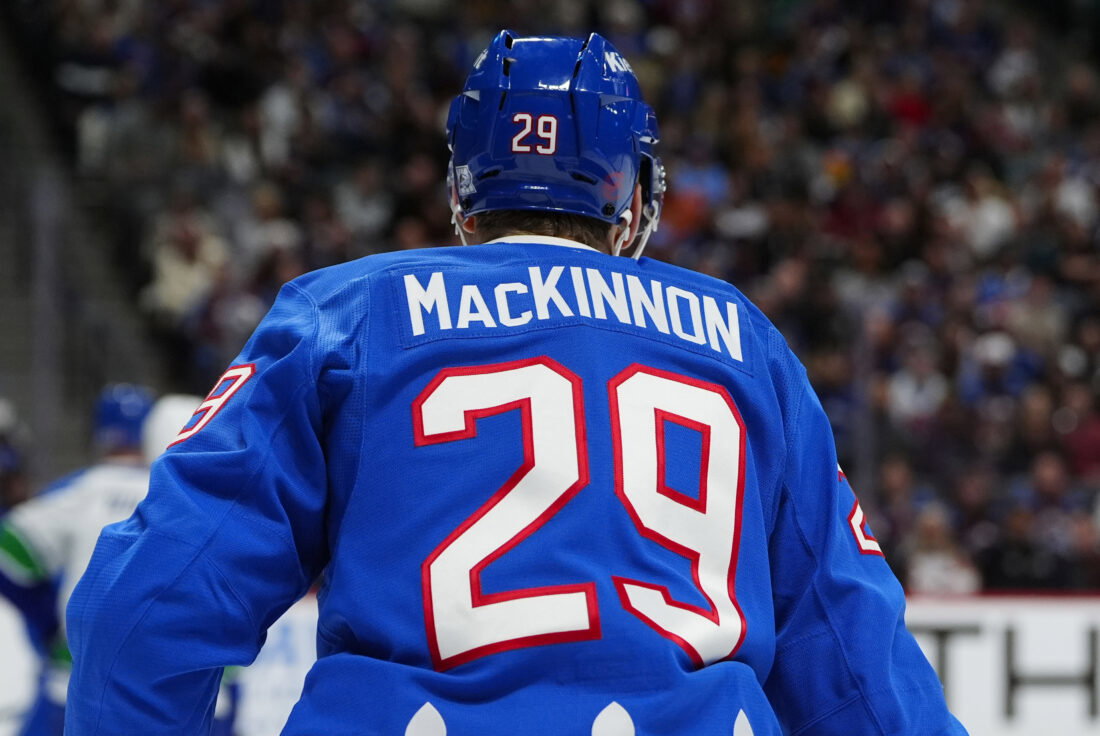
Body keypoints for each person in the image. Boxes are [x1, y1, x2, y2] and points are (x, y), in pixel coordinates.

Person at [66, 32, 968, 735]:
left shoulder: (346, 313)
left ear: (464, 189)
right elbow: (855, 662)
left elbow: (150, 602)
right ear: (632, 197)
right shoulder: (744, 344)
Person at [0, 387, 237, 736]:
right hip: (183, 682)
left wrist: (47, 617)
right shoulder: (201, 499)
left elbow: (11, 548)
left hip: (82, 675)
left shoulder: (82, 488)